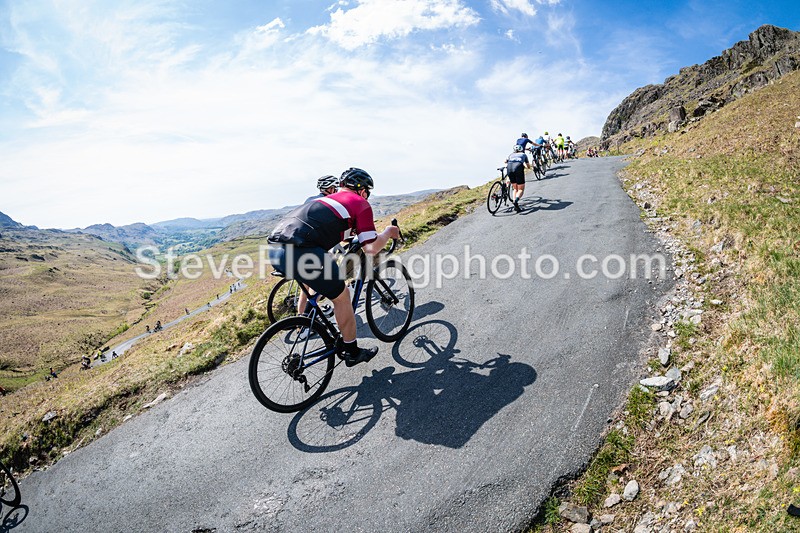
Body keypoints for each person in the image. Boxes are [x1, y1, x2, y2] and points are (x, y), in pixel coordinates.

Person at [268, 167, 400, 366]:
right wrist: (389, 232)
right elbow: (371, 248)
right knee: (342, 296)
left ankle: (307, 322)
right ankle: (352, 351)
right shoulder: (359, 202)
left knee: (320, 288)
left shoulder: (324, 200)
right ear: (363, 191)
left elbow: (332, 229)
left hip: (276, 250)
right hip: (304, 251)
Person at [505, 145, 531, 213]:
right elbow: (528, 166)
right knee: (520, 189)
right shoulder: (523, 154)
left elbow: (506, 161)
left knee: (515, 188)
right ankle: (515, 201)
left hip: (509, 167)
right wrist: (526, 166)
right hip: (518, 167)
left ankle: (514, 203)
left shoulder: (511, 154)